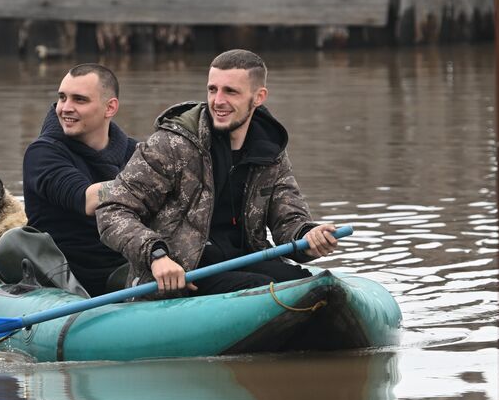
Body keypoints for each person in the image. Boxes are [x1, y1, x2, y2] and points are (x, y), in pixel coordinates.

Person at [96, 49, 339, 296]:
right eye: (213, 89)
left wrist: (309, 236)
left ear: (258, 97)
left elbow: (288, 221)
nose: (218, 101)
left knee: (307, 283)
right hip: (185, 272)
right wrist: (156, 255)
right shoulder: (170, 145)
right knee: (263, 289)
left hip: (243, 261)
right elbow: (112, 210)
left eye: (230, 92)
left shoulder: (270, 151)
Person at [22, 64, 138, 297]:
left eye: (79, 100)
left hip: (130, 263)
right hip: (73, 280)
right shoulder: (42, 153)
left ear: (110, 107)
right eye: (62, 98)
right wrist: (150, 183)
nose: (65, 108)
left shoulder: (134, 151)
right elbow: (86, 198)